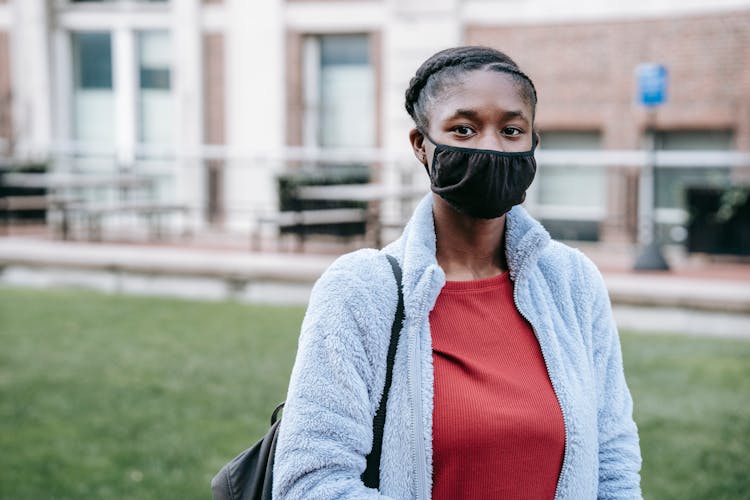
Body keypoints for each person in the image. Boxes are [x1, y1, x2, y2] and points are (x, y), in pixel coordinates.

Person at [273, 46, 642, 499]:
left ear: (532, 144)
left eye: (511, 130)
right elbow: (311, 483)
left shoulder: (572, 282)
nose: (490, 146)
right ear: (420, 145)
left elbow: (614, 459)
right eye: (463, 129)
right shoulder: (360, 291)